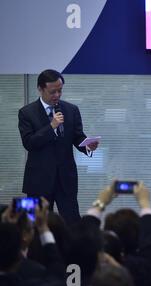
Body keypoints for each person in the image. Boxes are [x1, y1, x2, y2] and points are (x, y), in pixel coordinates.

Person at [18, 69, 98, 225]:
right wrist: (51, 127)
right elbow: (29, 143)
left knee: (73, 223)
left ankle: (73, 250)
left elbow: (77, 136)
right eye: (52, 92)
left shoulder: (71, 109)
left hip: (65, 180)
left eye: (60, 91)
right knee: (36, 226)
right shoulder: (26, 113)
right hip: (38, 181)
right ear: (40, 89)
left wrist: (87, 145)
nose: (57, 95)